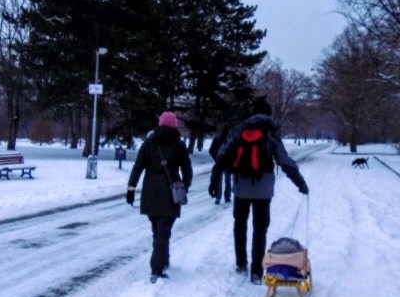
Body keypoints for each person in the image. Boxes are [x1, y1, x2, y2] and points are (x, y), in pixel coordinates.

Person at [209, 98, 308, 284]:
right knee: (259, 230)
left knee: (240, 225)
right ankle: (256, 271)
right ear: (268, 115)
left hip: (240, 188)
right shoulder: (270, 134)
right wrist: (300, 183)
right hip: (264, 191)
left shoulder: (239, 130)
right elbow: (284, 161)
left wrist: (214, 182)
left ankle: (240, 264)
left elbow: (221, 155)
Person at [127, 111, 193, 283]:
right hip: (170, 193)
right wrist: (185, 186)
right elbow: (187, 169)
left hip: (150, 192)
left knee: (157, 230)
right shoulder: (178, 144)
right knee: (163, 232)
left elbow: (137, 167)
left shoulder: (149, 143)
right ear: (174, 125)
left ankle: (163, 259)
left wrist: (131, 188)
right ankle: (156, 269)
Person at [208, 122, 234, 205]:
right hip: (228, 163)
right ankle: (227, 198)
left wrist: (216, 159)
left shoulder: (217, 138)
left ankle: (218, 198)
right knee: (228, 181)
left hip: (219, 163)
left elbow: (211, 150)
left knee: (218, 180)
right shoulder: (231, 139)